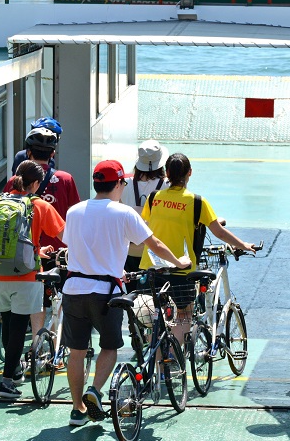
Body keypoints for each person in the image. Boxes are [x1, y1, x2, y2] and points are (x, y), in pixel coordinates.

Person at [61, 160, 190, 426]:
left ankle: (77, 410)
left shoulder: (74, 211)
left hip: (73, 289)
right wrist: (179, 262)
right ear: (119, 184)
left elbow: (69, 244)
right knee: (109, 347)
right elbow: (152, 243)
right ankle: (94, 390)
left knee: (76, 352)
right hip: (106, 292)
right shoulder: (123, 213)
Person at [140, 153, 257, 343]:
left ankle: (160, 365)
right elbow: (219, 232)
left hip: (151, 266)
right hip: (182, 269)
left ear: (167, 173)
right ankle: (175, 356)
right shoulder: (197, 202)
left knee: (153, 317)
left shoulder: (154, 198)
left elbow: (152, 224)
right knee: (184, 314)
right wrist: (244, 245)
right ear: (190, 173)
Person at [0, 160, 65, 400]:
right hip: (26, 275)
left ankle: (15, 371)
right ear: (35, 183)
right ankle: (6, 381)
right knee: (20, 328)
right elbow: (64, 235)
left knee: (7, 321)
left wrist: (36, 250)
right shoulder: (39, 206)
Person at [4, 126, 80, 343]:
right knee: (56, 300)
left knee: (34, 302)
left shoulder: (13, 182)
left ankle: (36, 346)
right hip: (59, 253)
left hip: (21, 253)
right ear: (53, 154)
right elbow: (73, 216)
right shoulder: (65, 179)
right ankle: (51, 346)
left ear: (28, 153)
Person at [120, 139, 169, 276]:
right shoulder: (167, 186)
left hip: (130, 250)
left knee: (131, 293)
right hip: (155, 250)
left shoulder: (124, 184)